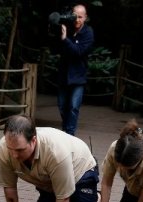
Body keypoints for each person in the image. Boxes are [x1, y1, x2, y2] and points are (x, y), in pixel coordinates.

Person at [0, 114, 99, 202]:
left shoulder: (56, 153)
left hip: (81, 170)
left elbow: (63, 198)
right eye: (10, 149)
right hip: (49, 181)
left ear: (33, 140)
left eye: (20, 150)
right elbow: (9, 186)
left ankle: (95, 196)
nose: (14, 155)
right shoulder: (3, 147)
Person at [54, 3, 94, 136]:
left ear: (85, 18)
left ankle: (69, 135)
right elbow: (56, 48)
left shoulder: (88, 33)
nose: (77, 20)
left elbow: (79, 52)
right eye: (75, 16)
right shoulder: (67, 28)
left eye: (80, 17)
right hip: (63, 75)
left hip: (78, 77)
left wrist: (65, 40)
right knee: (62, 106)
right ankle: (66, 130)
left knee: (73, 107)